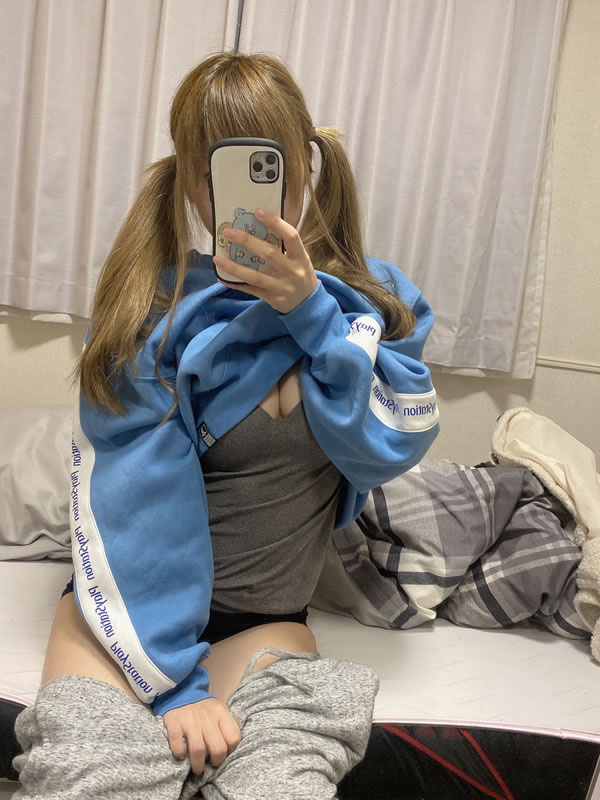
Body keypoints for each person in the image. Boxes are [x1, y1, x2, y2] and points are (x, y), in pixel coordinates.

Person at [12, 52, 439, 799]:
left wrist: (310, 312)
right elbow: (131, 498)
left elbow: (392, 443)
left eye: (263, 163)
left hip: (263, 623)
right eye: (215, 169)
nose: (237, 193)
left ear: (304, 163)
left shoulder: (373, 305)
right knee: (92, 780)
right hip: (124, 624)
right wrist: (174, 686)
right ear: (188, 178)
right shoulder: (151, 311)